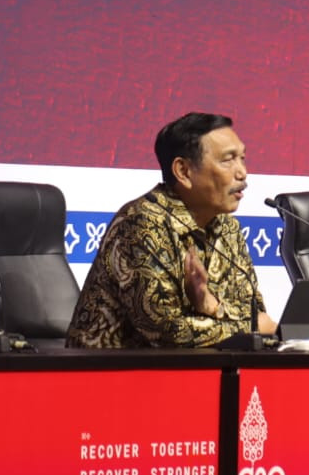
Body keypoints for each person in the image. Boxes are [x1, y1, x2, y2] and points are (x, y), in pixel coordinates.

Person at [66, 112, 279, 348]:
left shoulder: (228, 227)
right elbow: (168, 333)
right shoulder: (143, 223)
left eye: (242, 158)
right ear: (183, 171)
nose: (242, 173)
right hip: (106, 373)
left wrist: (212, 306)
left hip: (198, 370)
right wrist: (248, 326)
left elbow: (254, 311)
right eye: (228, 160)